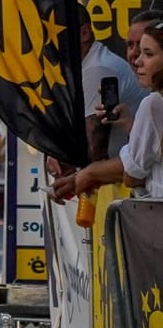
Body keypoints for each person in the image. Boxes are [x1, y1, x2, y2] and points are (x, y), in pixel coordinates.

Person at [54, 19, 163, 202]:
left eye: (148, 54)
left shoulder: (154, 104)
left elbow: (132, 175)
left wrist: (87, 174)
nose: (137, 61)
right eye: (131, 45)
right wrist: (131, 125)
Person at [81, 13, 142, 161]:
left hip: (123, 178)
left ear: (85, 33)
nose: (135, 55)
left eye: (147, 50)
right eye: (129, 45)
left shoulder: (98, 68)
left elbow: (93, 154)